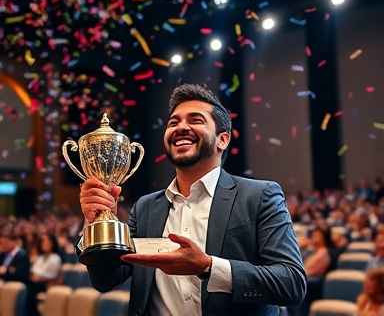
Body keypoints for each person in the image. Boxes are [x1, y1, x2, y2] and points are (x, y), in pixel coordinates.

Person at [77, 83, 307, 316]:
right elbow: (106, 280)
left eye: (195, 120)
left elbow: (291, 283)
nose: (181, 127)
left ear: (223, 140)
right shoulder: (146, 207)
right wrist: (95, 221)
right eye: (173, 123)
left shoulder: (259, 196)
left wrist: (209, 267)